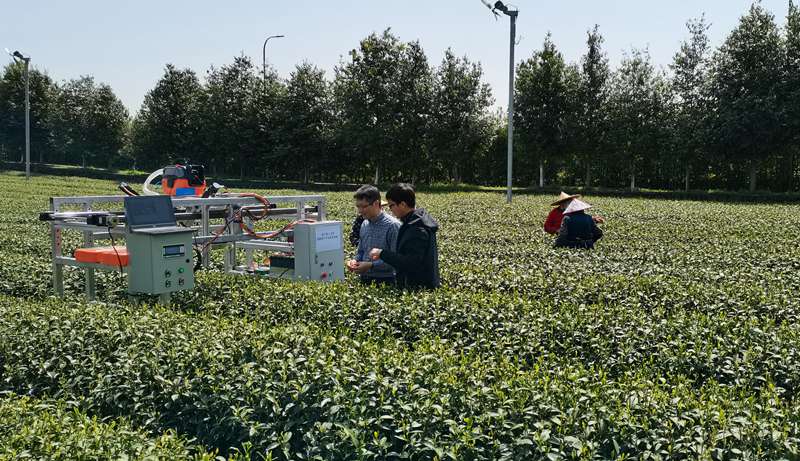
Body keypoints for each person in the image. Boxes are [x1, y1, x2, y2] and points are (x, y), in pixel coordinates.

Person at [369, 183, 440, 289]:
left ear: (403, 204)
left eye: (392, 205)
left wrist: (382, 253)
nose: (390, 209)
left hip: (419, 289)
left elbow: (410, 263)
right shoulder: (415, 221)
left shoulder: (417, 228)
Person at [346, 185, 400, 285]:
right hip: (364, 278)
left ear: (376, 204)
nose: (360, 211)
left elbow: (396, 260)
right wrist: (354, 261)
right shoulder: (364, 224)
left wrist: (371, 265)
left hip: (386, 281)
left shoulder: (393, 226)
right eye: (358, 206)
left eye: (364, 206)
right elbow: (361, 251)